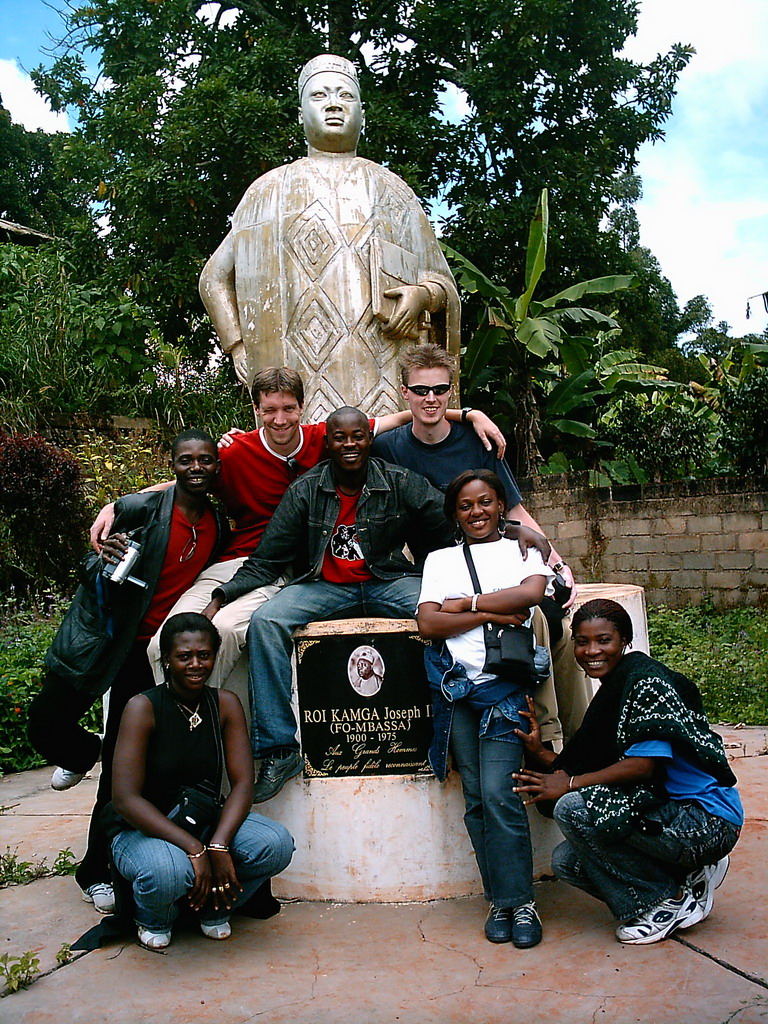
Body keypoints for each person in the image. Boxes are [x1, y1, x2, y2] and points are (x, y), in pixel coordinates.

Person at [89, 367, 504, 692]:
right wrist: (120, 506)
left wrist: (469, 414)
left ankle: (455, 708)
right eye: (269, 410)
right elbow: (187, 479)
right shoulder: (243, 456)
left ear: (304, 411)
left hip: (344, 573)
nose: (280, 419)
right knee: (208, 632)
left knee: (446, 607)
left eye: (288, 409)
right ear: (255, 411)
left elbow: (414, 420)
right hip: (274, 568)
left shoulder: (356, 456)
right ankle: (219, 740)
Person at [202, 406, 456, 802]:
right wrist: (220, 597)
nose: (350, 444)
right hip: (326, 586)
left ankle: (452, 733)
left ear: (369, 440)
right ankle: (278, 749)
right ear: (329, 442)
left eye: (358, 436)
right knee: (267, 622)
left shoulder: (398, 481)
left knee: (446, 615)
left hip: (387, 580)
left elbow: (453, 516)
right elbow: (267, 559)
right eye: (340, 437)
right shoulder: (306, 489)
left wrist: (513, 532)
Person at [28, 430, 228, 915]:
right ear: (172, 465)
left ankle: (97, 873)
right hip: (100, 640)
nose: (196, 468)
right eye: (186, 461)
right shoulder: (142, 509)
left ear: (215, 468)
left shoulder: (218, 524)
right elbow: (87, 561)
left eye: (205, 460)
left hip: (145, 656)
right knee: (43, 726)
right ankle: (80, 752)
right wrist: (103, 557)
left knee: (120, 775)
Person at [199, 54, 461, 420]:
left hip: (383, 368)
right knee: (306, 460)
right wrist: (239, 346)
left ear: (363, 115)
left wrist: (422, 294)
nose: (334, 104)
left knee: (385, 461)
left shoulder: (392, 191)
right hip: (296, 373)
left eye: (346, 96)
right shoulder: (269, 192)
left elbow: (441, 282)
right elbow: (213, 278)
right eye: (319, 95)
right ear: (301, 112)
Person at [373, 342, 591, 745]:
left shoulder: (477, 442)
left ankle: (574, 739)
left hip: (497, 563)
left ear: (451, 390)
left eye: (440, 390)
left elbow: (515, 511)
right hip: (444, 574)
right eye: (420, 390)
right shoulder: (388, 448)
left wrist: (557, 563)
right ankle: (532, 736)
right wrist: (469, 411)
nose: (431, 399)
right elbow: (336, 434)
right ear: (404, 392)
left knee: (555, 624)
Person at [512, 598, 742, 946]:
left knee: (573, 808)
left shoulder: (645, 684)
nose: (592, 651)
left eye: (604, 640)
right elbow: (597, 762)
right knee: (568, 862)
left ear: (625, 641)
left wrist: (570, 784)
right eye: (582, 641)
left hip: (705, 822)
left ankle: (665, 903)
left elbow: (642, 767)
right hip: (669, 814)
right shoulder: (617, 689)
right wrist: (539, 751)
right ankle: (686, 880)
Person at [416, 469, 554, 949]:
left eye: (486, 502)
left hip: (504, 693)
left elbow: (531, 595)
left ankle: (522, 903)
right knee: (475, 799)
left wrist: (465, 605)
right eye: (466, 505)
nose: (477, 512)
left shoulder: (525, 550)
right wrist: (493, 612)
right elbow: (429, 624)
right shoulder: (439, 560)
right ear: (455, 514)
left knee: (499, 794)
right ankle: (501, 901)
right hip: (457, 694)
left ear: (501, 505)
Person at [109, 613, 294, 950]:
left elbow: (242, 784)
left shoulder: (223, 704)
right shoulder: (143, 707)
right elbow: (125, 799)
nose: (195, 664)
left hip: (205, 819)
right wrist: (195, 848)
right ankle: (155, 918)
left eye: (204, 655)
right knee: (168, 872)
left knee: (275, 843)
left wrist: (219, 844)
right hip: (145, 830)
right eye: (184, 656)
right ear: (166, 659)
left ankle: (213, 908)